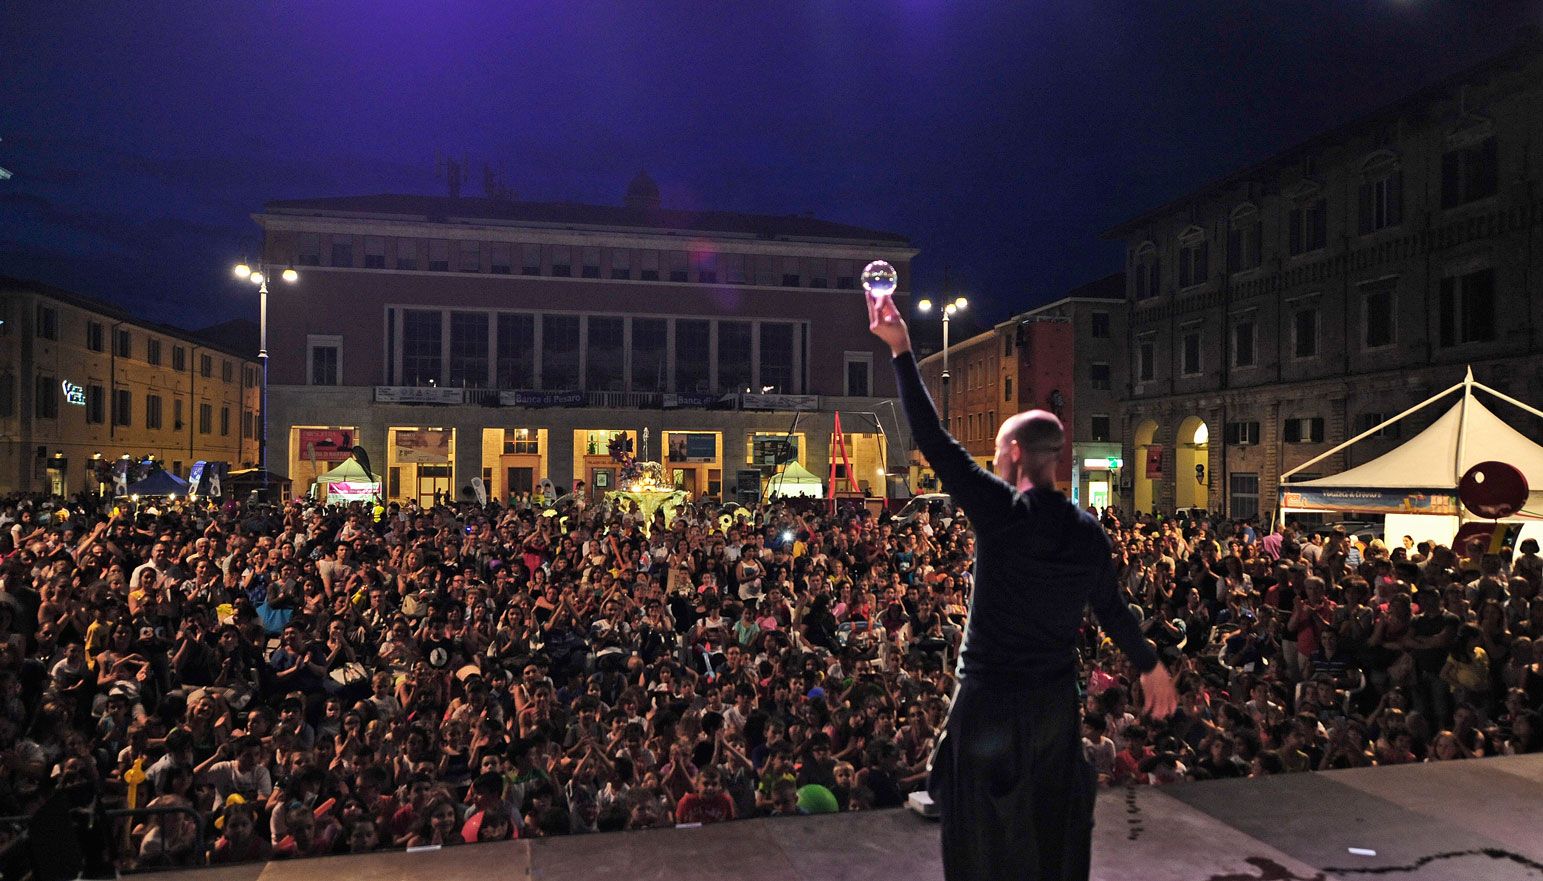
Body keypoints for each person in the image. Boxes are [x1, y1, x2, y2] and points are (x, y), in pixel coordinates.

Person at [866, 289, 1176, 881]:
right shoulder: (1087, 532)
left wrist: (903, 350)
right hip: (1051, 709)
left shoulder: (1000, 510)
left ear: (1010, 453)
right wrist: (1149, 665)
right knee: (1045, 831)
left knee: (978, 834)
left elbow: (933, 439)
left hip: (988, 702)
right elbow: (1111, 610)